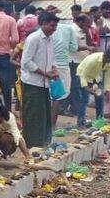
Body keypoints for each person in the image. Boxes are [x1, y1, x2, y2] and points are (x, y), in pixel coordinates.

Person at [20, 12, 59, 148]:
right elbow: (26, 62)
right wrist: (44, 73)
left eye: (55, 26)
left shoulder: (50, 39)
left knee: (43, 113)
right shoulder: (34, 38)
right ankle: (31, 143)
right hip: (32, 82)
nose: (54, 29)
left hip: (44, 83)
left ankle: (42, 141)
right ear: (43, 23)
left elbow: (51, 58)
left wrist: (54, 69)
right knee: (32, 113)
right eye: (52, 25)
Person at [67, 14, 96, 127]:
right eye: (87, 23)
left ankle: (80, 116)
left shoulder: (84, 30)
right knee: (77, 90)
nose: (89, 25)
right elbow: (73, 47)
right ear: (80, 22)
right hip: (75, 62)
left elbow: (90, 43)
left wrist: (87, 31)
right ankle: (77, 114)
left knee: (83, 91)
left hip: (83, 63)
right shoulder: (73, 30)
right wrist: (87, 48)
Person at [49, 15, 77, 127]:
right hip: (62, 66)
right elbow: (74, 48)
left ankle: (46, 125)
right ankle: (52, 126)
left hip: (48, 65)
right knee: (57, 97)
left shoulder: (43, 30)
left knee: (47, 96)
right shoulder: (69, 28)